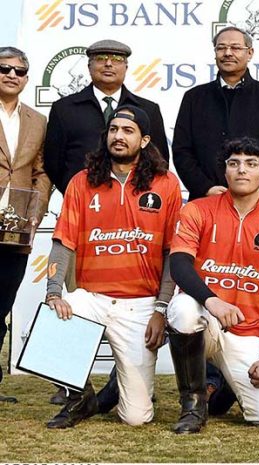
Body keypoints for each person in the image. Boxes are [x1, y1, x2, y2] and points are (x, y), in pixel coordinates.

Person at [44, 106, 181, 428]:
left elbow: (173, 253)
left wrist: (161, 309)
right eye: (113, 129)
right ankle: (78, 398)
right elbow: (63, 242)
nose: (118, 136)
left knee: (136, 418)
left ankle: (116, 390)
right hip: (92, 297)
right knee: (52, 314)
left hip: (140, 306)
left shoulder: (166, 185)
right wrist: (53, 293)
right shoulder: (81, 182)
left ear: (145, 140)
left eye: (128, 131)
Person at [166, 137, 259, 434]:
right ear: (224, 172)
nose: (242, 170)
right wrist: (212, 300)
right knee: (184, 311)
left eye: (251, 164)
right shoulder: (198, 210)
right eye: (234, 163)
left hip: (248, 330)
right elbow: (179, 265)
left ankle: (229, 386)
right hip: (205, 318)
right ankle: (193, 405)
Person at [173, 26, 259, 210]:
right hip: (205, 204)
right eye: (221, 48)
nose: (227, 53)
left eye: (235, 48)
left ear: (250, 53)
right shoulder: (194, 98)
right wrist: (206, 188)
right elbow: (182, 151)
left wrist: (254, 190)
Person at [44, 39, 168, 195]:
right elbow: (53, 163)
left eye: (117, 59)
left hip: (135, 201)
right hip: (81, 202)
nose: (108, 64)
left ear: (126, 67)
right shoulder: (64, 109)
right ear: (89, 67)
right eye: (101, 58)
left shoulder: (148, 110)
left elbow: (159, 160)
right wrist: (74, 193)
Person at [0, 46, 52, 403]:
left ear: (27, 78)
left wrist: (37, 209)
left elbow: (41, 172)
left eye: (19, 71)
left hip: (15, 230)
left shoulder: (38, 121)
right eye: (4, 68)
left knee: (1, 305)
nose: (11, 75)